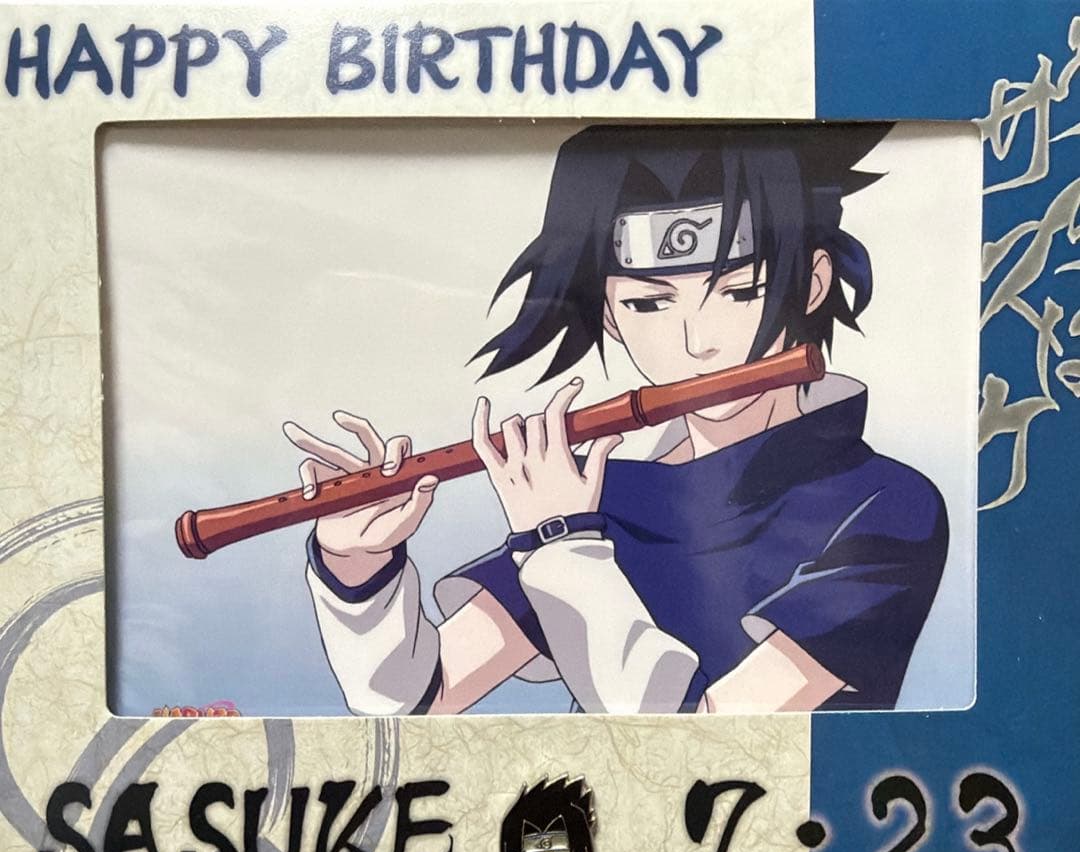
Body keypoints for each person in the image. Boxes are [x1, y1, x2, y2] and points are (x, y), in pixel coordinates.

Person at [283, 124, 949, 716]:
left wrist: (560, 544)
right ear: (608, 313)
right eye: (649, 305)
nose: (697, 343)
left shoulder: (887, 506)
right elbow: (417, 700)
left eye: (740, 292)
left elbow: (707, 739)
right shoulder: (605, 497)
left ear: (811, 283)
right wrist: (358, 563)